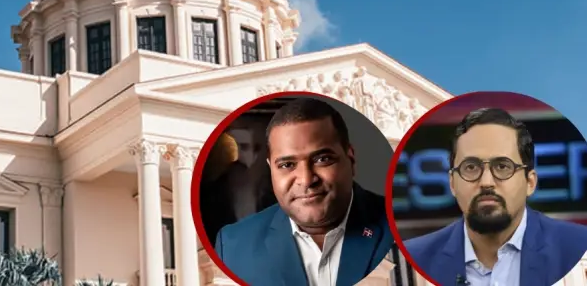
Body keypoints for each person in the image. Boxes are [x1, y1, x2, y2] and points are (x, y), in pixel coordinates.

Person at [212, 95, 393, 286]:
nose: (306, 180)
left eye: (322, 159)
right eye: (287, 164)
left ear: (351, 158)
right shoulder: (232, 245)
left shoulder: (398, 225)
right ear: (271, 169)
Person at [403, 107, 587, 286]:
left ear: (530, 183)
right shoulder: (416, 255)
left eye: (502, 166)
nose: (486, 182)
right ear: (452, 183)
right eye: (471, 167)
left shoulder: (576, 245)